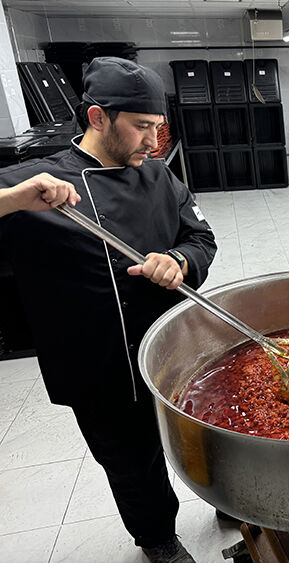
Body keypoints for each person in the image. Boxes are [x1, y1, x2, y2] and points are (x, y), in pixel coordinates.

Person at [0, 57, 217, 563]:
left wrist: (180, 260)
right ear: (99, 117)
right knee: (131, 462)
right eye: (142, 127)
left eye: (159, 128)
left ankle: (226, 501)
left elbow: (200, 236)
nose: (154, 142)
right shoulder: (39, 183)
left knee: (205, 438)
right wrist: (11, 199)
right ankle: (158, 538)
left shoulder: (161, 177)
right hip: (97, 364)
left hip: (177, 349)